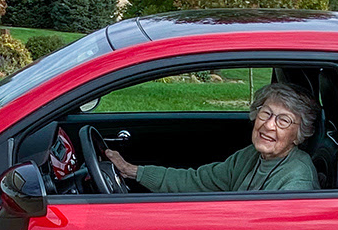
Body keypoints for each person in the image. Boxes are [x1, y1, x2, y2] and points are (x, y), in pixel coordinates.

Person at [105, 82, 319, 193]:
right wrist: (133, 171)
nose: (269, 125)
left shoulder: (297, 179)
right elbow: (197, 182)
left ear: (299, 135)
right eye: (266, 113)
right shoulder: (250, 156)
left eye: (283, 121)